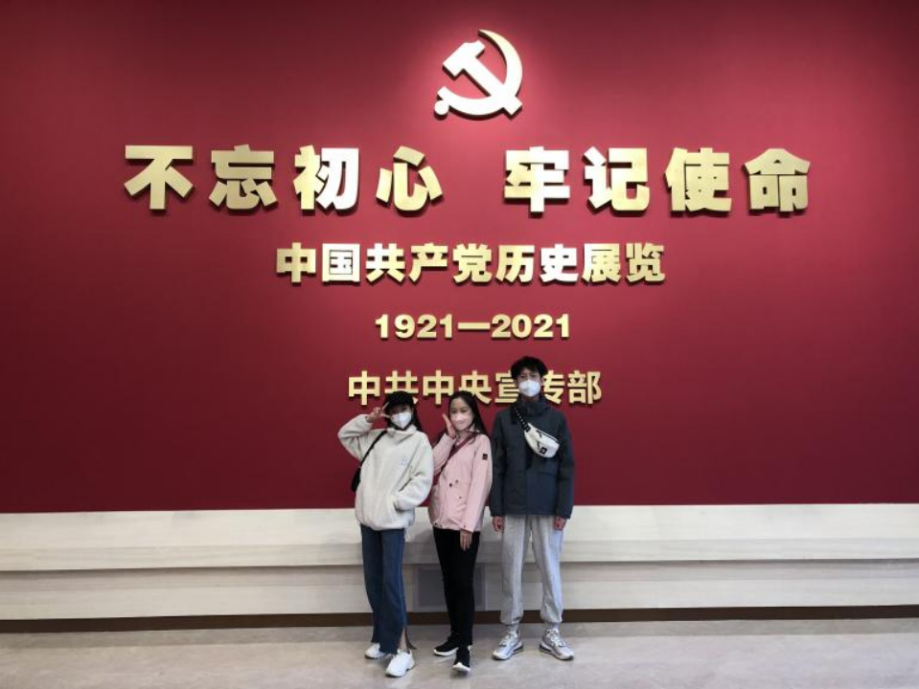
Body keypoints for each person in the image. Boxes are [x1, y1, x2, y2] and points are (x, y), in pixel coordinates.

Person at [338, 391, 433, 678]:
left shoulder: (419, 441)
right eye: (395, 409)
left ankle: (404, 651)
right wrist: (369, 419)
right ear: (388, 412)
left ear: (412, 411)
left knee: (391, 583)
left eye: (405, 408)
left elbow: (422, 481)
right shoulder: (376, 437)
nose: (401, 414)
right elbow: (344, 435)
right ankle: (384, 639)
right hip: (367, 520)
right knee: (374, 582)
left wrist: (396, 503)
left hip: (392, 522)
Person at [489, 356, 576, 662]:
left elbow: (567, 466)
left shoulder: (557, 418)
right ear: (515, 382)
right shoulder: (503, 419)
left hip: (548, 506)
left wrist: (564, 508)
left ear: (542, 380)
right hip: (512, 505)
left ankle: (552, 631)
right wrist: (496, 508)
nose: (528, 381)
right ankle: (511, 632)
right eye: (523, 376)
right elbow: (497, 466)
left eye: (533, 375)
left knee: (550, 569)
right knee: (510, 569)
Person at [428, 391, 493, 675]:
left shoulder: (481, 441)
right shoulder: (448, 440)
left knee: (463, 583)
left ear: (474, 412)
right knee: (449, 581)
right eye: (454, 411)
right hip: (442, 522)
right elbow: (430, 467)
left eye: (463, 410)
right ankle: (454, 635)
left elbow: (481, 484)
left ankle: (465, 646)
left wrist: (469, 524)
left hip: (464, 526)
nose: (458, 415)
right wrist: (448, 437)